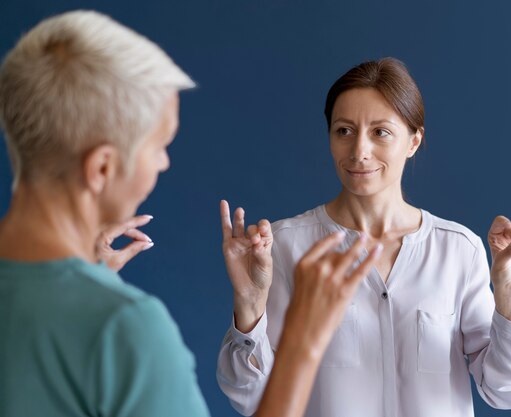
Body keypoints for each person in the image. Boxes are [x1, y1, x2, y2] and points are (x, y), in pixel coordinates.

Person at [0, 10, 381, 417]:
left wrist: (77, 288)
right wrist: (303, 341)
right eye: (159, 145)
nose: (164, 163)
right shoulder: (124, 328)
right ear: (103, 169)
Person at [217, 57, 511, 417]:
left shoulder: (458, 250)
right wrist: (248, 305)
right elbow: (250, 399)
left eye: (380, 132)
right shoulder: (284, 247)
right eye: (344, 130)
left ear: (413, 140)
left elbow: (505, 391)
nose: (359, 151)